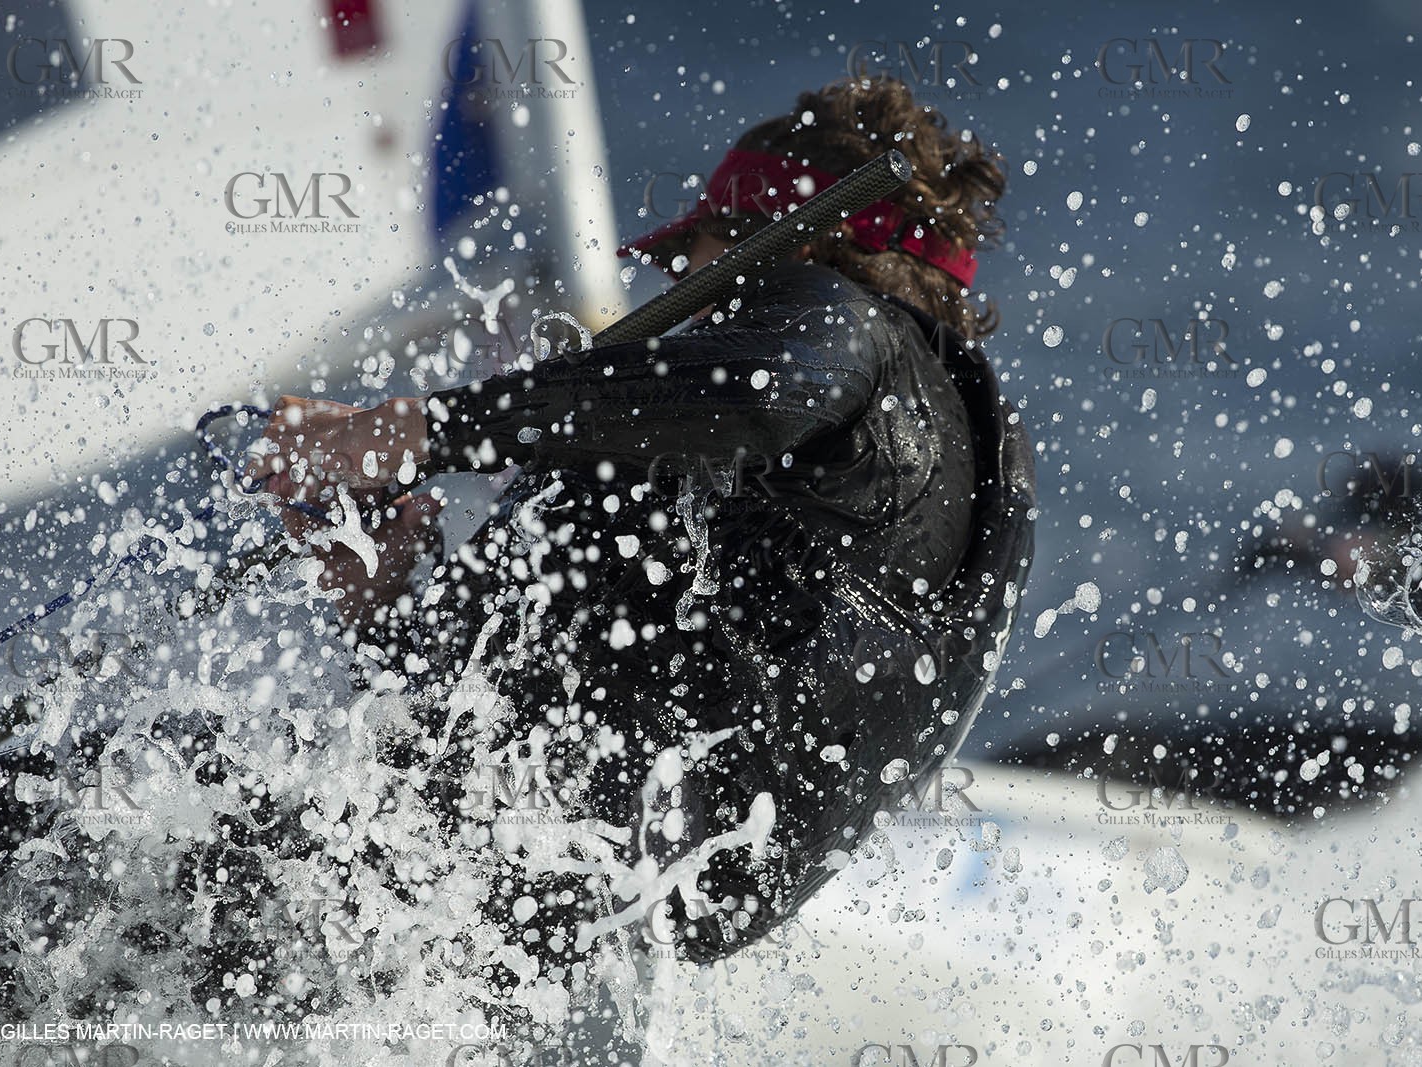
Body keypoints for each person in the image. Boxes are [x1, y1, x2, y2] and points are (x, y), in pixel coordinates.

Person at [247, 75, 1036, 968]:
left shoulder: (842, 334)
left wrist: (419, 430)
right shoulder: (933, 465)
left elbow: (770, 382)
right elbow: (437, 719)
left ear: (779, 249)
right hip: (546, 936)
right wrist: (383, 601)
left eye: (689, 250)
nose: (668, 283)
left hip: (458, 910)